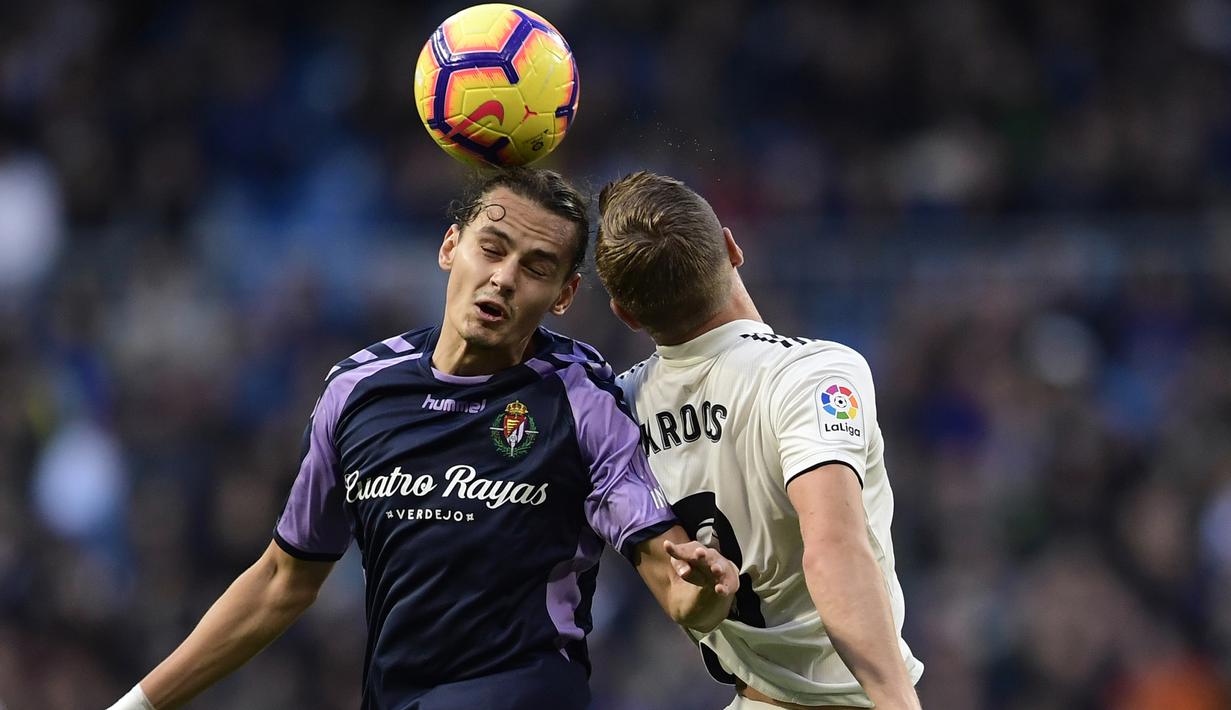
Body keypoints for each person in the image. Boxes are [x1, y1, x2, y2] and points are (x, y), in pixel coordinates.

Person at [107, 168, 739, 710]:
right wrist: (138, 703)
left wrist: (703, 594)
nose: (504, 278)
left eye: (536, 268)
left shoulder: (583, 401)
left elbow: (672, 574)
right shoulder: (358, 392)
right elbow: (282, 580)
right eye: (492, 249)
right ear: (449, 247)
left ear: (564, 295)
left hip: (523, 691)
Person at [594, 171, 924, 710]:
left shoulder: (617, 410)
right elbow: (833, 549)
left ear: (625, 314)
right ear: (731, 247)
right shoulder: (811, 372)